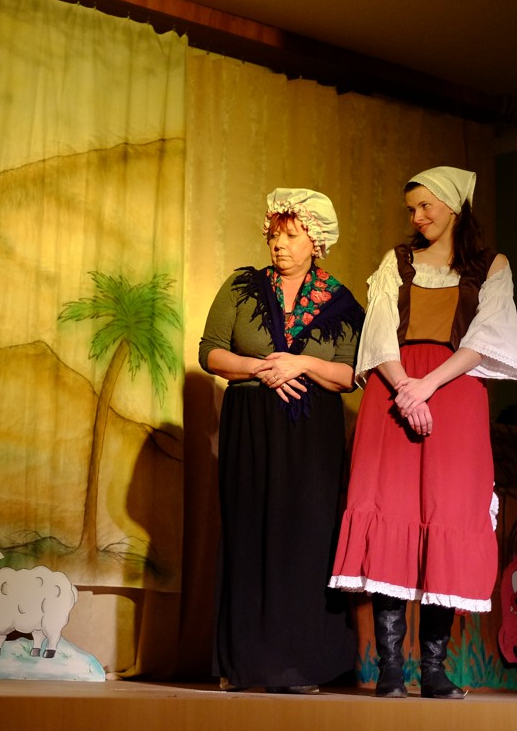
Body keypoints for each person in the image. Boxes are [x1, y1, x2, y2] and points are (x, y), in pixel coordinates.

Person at [327, 166, 517, 699]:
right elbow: (378, 335)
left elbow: (486, 339)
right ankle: (392, 667)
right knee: (391, 511)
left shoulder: (492, 266)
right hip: (392, 394)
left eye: (425, 206)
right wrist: (404, 390)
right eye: (411, 208)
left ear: (453, 206)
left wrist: (427, 386)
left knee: (449, 515)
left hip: (454, 395)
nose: (417, 217)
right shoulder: (397, 262)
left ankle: (433, 668)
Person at [199, 188, 365, 694]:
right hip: (250, 428)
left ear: (316, 241)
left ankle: (301, 666)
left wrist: (302, 363)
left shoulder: (340, 302)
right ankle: (244, 663)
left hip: (311, 437)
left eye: (292, 236)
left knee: (306, 539)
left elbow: (351, 374)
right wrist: (261, 368)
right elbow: (210, 352)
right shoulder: (241, 287)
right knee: (248, 534)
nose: (279, 245)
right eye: (275, 235)